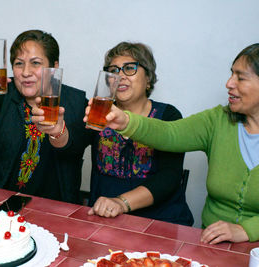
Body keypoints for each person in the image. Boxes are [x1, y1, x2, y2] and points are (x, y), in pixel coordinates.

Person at [86, 43, 259, 243]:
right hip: (214, 243)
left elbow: (168, 177)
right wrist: (126, 121)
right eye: (231, 74)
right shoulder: (217, 120)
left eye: (240, 77)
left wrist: (246, 230)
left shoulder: (168, 112)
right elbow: (169, 133)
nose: (229, 83)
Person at [0, 30, 88, 204]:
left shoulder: (76, 102)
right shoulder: (3, 91)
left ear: (54, 67)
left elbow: (75, 144)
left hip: (53, 207)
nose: (26, 72)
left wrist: (58, 132)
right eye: (19, 64)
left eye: (35, 63)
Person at [86, 42, 193, 226]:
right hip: (105, 219)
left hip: (161, 222)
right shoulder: (97, 113)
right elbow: (69, 148)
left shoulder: (168, 115)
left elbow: (170, 177)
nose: (120, 76)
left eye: (129, 68)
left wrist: (121, 202)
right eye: (114, 70)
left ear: (148, 78)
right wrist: (58, 132)